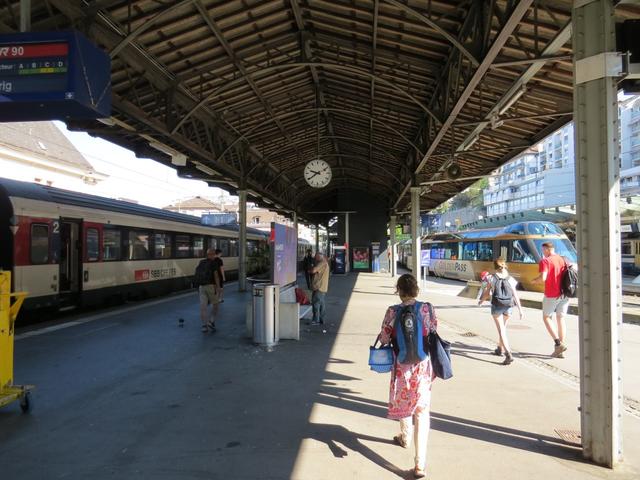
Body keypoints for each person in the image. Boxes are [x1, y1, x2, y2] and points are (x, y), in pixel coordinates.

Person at [379, 274, 437, 479]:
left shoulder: (392, 311)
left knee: (403, 402)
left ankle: (405, 436)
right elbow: (433, 331)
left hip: (402, 367)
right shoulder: (427, 309)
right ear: (416, 290)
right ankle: (420, 464)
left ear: (399, 291)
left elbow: (384, 338)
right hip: (422, 366)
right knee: (421, 411)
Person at [479, 259, 524, 365]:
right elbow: (515, 295)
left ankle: (508, 354)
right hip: (509, 306)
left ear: (495, 267)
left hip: (497, 306)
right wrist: (520, 309)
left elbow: (487, 293)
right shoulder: (511, 279)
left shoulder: (491, 278)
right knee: (503, 328)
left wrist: (481, 301)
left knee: (501, 331)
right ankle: (500, 348)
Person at [532, 241, 569, 358]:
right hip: (564, 294)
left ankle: (558, 344)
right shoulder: (562, 259)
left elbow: (543, 278)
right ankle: (560, 350)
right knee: (560, 319)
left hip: (552, 294)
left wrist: (534, 281)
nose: (543, 252)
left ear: (547, 249)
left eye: (543, 250)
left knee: (546, 317)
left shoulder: (545, 261)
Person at [197, 248, 222, 333]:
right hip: (211, 286)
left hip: (201, 287)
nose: (214, 256)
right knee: (216, 305)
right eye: (214, 254)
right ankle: (211, 321)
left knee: (203, 307)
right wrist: (218, 287)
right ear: (212, 255)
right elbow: (216, 276)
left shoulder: (201, 262)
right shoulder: (214, 263)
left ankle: (204, 326)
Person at [309, 253, 329, 325]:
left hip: (319, 287)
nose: (315, 258)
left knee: (316, 303)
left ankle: (316, 320)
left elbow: (313, 270)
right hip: (322, 287)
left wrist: (310, 269)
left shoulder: (322, 263)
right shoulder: (324, 263)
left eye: (316, 257)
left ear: (319, 257)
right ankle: (321, 319)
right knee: (321, 304)